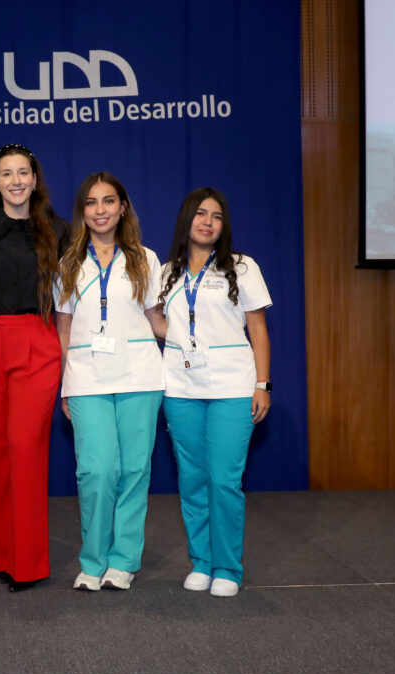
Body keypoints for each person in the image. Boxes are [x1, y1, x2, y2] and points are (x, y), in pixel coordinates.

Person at [0, 143, 68, 591]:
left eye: (23, 172)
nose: (16, 181)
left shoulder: (58, 229)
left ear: (35, 179)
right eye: (7, 173)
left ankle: (26, 562)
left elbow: (70, 300)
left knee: (26, 448)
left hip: (38, 340)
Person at [156, 187, 272, 598]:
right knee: (192, 479)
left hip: (233, 386)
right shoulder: (165, 272)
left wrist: (262, 384)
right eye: (201, 214)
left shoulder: (242, 267)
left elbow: (258, 329)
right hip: (180, 387)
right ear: (186, 219)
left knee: (223, 479)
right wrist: (177, 337)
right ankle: (202, 562)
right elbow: (155, 319)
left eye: (217, 216)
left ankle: (227, 567)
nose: (208, 222)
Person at [54, 172, 164, 591]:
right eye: (91, 202)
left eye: (108, 201)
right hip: (86, 379)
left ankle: (123, 560)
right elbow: (63, 329)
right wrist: (65, 384)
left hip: (140, 376)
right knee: (97, 471)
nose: (100, 210)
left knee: (135, 470)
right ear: (82, 211)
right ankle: (93, 560)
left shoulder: (145, 259)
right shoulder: (67, 263)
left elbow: (156, 320)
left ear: (123, 207)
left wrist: (203, 334)